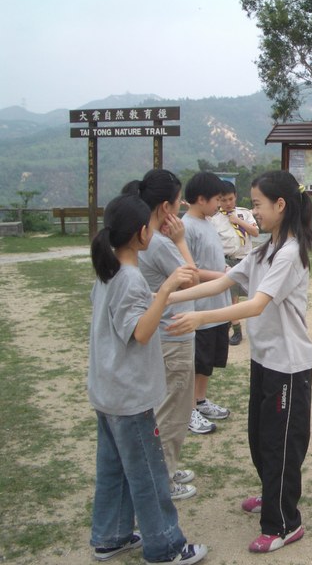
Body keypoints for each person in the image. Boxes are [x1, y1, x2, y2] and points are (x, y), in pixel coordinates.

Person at [165, 171, 312, 554]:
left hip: (288, 365)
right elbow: (223, 282)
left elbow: (255, 305)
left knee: (280, 444)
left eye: (258, 204)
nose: (253, 211)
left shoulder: (290, 253)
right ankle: (272, 494)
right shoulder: (265, 249)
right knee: (260, 438)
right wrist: (166, 297)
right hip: (265, 360)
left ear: (280, 205)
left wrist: (200, 318)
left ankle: (284, 524)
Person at [87, 193, 207, 565]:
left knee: (114, 469)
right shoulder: (129, 278)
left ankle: (111, 535)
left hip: (107, 392)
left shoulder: (109, 272)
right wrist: (167, 289)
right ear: (141, 233)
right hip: (129, 397)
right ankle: (165, 546)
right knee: (149, 475)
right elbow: (140, 332)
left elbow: (130, 314)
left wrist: (158, 296)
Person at [123, 169, 201, 501]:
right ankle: (163, 477)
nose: (180, 206)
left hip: (159, 334)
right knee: (172, 411)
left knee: (163, 407)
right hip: (173, 335)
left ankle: (164, 467)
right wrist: (180, 241)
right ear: (165, 208)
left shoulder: (138, 237)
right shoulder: (158, 243)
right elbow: (191, 279)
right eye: (178, 200)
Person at [182, 172, 231, 434]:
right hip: (199, 307)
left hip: (217, 305)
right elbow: (188, 271)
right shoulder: (186, 227)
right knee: (196, 361)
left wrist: (226, 271)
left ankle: (200, 401)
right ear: (201, 199)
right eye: (216, 200)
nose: (219, 205)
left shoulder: (208, 222)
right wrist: (223, 277)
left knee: (208, 361)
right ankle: (187, 409)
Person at [211, 180, 259, 346]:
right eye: (223, 200)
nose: (228, 203)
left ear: (236, 197)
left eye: (230, 199)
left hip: (246, 259)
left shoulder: (244, 214)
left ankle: (248, 325)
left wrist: (238, 221)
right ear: (218, 200)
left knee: (254, 294)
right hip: (227, 261)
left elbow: (255, 232)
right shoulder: (215, 219)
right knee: (233, 297)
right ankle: (236, 329)